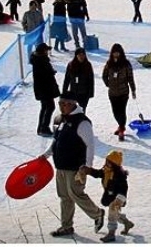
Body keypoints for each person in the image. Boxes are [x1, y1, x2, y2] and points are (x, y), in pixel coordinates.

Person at [40, 93, 105, 237]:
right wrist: (46, 155)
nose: (62, 107)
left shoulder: (82, 122)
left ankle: (97, 214)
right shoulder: (59, 119)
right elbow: (56, 141)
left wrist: (87, 166)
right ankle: (66, 226)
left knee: (76, 194)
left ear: (73, 104)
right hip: (61, 166)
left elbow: (90, 145)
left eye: (65, 104)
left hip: (76, 167)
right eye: (60, 104)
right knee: (64, 196)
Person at [84, 150, 135, 242]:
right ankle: (127, 223)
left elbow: (124, 188)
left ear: (114, 165)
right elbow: (98, 173)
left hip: (118, 198)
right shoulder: (106, 171)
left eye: (109, 162)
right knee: (115, 214)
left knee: (112, 212)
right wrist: (89, 171)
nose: (106, 163)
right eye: (106, 161)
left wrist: (119, 200)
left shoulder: (119, 175)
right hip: (110, 196)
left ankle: (111, 233)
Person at [102, 43, 136, 142]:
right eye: (114, 52)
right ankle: (121, 126)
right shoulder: (109, 63)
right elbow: (104, 75)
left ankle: (121, 129)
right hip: (112, 93)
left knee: (122, 111)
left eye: (117, 52)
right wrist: (108, 84)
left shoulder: (126, 64)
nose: (116, 54)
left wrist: (133, 90)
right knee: (115, 112)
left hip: (123, 92)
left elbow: (130, 78)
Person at [31, 42, 61, 136]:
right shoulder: (41, 61)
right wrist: (51, 72)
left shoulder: (40, 60)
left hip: (43, 89)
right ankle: (44, 127)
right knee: (50, 107)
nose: (47, 52)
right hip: (44, 89)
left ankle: (41, 127)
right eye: (46, 50)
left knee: (45, 107)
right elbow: (44, 76)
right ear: (43, 51)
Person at [63, 47, 95, 115]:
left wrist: (91, 93)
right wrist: (64, 91)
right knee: (72, 110)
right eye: (79, 55)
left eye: (83, 55)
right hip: (73, 92)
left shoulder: (88, 65)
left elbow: (91, 80)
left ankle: (81, 123)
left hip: (84, 93)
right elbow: (67, 79)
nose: (81, 57)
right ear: (76, 56)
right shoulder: (71, 65)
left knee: (82, 110)